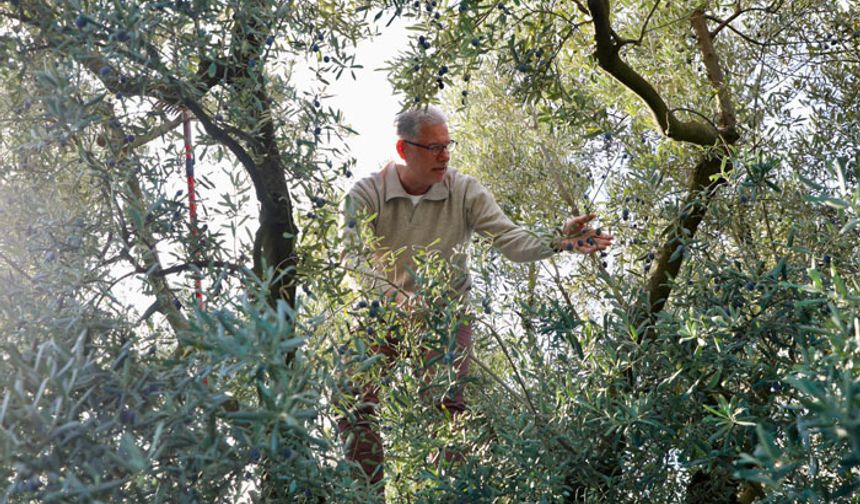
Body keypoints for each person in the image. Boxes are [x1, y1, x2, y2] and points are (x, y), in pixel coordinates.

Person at [337, 105, 612, 491]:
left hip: (445, 317)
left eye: (447, 146)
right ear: (404, 149)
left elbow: (510, 239)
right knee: (351, 399)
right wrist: (394, 299)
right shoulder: (367, 193)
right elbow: (351, 257)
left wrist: (558, 241)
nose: (445, 155)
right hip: (384, 312)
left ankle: (447, 494)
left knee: (448, 411)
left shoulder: (465, 191)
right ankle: (366, 496)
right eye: (433, 148)